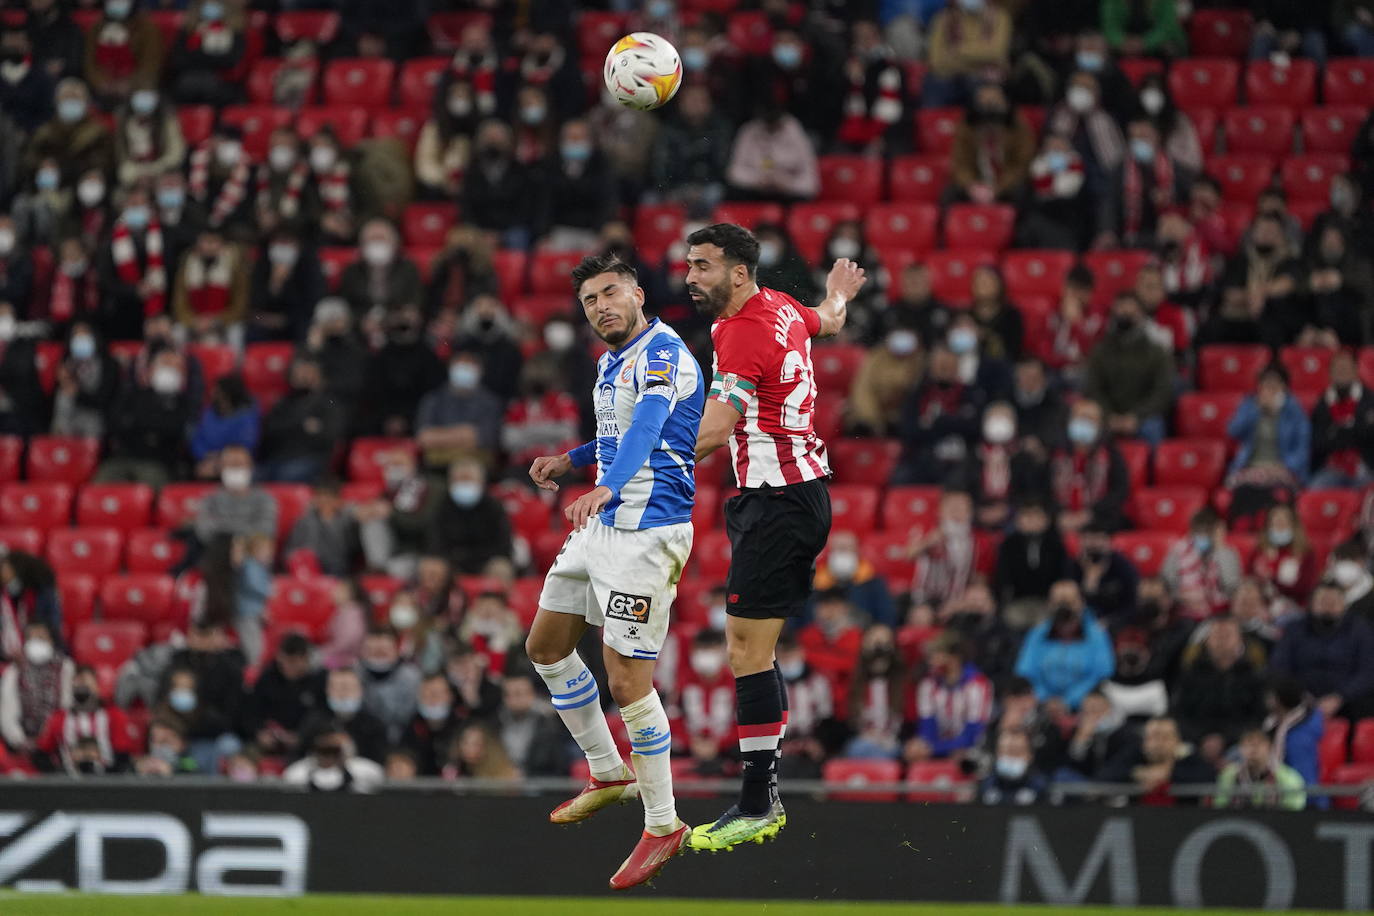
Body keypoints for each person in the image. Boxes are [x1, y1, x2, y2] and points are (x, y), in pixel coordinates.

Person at [522, 253, 705, 887]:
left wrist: (609, 484)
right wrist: (572, 462)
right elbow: (612, 436)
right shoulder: (610, 362)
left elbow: (650, 427)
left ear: (636, 293)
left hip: (645, 534)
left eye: (609, 294)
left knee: (628, 682)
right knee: (545, 645)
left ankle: (663, 823)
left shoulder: (662, 353)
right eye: (589, 301)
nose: (600, 307)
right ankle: (608, 769)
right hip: (601, 526)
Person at [682, 223, 864, 851]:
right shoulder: (780, 307)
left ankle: (758, 802)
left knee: (747, 653)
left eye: (702, 265)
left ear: (737, 273)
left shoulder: (743, 331)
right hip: (794, 494)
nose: (689, 276)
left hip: (777, 501)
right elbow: (829, 320)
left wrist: (624, 464)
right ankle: (760, 797)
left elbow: (712, 433)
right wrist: (838, 292)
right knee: (751, 649)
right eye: (688, 264)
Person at [1271, 581, 1374, 721]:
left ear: (1344, 604)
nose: (1328, 607)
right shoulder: (1294, 629)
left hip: (1349, 701)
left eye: (1334, 602)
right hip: (1300, 699)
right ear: (1312, 603)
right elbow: (1280, 666)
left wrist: (1340, 696)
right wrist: (1302, 696)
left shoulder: (1359, 629)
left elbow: (1368, 671)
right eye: (1323, 601)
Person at [1083, 291, 1173, 447]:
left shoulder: (1157, 352)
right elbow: (1093, 389)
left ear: (1141, 316)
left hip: (1143, 417)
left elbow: (1162, 392)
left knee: (1153, 428)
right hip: (1107, 416)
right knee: (1082, 425)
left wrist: (1136, 417)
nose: (1125, 316)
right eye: (1121, 312)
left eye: (1130, 312)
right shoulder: (1100, 351)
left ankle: (1153, 470)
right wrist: (1109, 416)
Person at [1226, 364, 1311, 526]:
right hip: (1250, 468)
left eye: (1274, 386)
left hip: (1282, 468)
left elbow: (1302, 449)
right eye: (1265, 385)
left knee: (1271, 490)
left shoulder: (1294, 411)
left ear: (1283, 388)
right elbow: (1233, 431)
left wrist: (1285, 467)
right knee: (1245, 488)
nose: (1269, 390)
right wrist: (1256, 410)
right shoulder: (1250, 405)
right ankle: (1242, 528)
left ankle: (1265, 528)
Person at [1015, 580, 1115, 712]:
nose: (1064, 609)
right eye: (1058, 603)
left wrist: (1068, 701)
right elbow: (1026, 671)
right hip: (1041, 705)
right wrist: (1045, 699)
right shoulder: (1037, 633)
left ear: (1081, 603)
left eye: (1069, 602)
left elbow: (1100, 674)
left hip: (1084, 704)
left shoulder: (1097, 635)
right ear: (1049, 605)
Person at [1171, 616, 1267, 752]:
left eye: (1227, 635)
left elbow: (1258, 717)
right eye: (1216, 635)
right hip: (1195, 743)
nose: (1221, 640)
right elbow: (1178, 714)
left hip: (1239, 744)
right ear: (1207, 640)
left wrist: (1226, 739)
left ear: (1240, 640)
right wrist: (1201, 739)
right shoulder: (1191, 674)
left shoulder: (1254, 676)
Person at [1043, 398, 1130, 533]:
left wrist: (1090, 514)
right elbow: (1044, 488)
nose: (1084, 423)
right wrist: (1059, 514)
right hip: (1060, 518)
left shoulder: (1111, 453)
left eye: (1089, 420)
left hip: (1099, 519)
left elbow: (1119, 490)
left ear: (1099, 426)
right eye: (1079, 418)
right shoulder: (1054, 452)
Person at [33, 665, 137, 774]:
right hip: (68, 782)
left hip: (107, 781)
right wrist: (57, 773)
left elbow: (123, 755)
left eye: (86, 684)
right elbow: (41, 754)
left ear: (97, 687)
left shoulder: (114, 716)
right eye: (77, 683)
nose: (81, 688)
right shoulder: (59, 718)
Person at [909, 631, 992, 764]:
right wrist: (924, 747)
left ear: (954, 657)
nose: (930, 661)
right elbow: (927, 726)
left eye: (936, 655)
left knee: (965, 756)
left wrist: (935, 748)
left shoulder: (977, 685)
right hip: (937, 748)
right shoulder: (928, 684)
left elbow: (974, 734)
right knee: (914, 752)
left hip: (969, 750)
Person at [256, 356, 344, 484]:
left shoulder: (329, 403)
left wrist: (292, 428)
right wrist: (302, 426)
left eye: (308, 372)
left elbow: (329, 435)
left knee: (286, 475)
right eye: (300, 372)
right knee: (254, 477)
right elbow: (269, 430)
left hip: (310, 458)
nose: (303, 376)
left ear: (319, 376)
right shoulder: (283, 402)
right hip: (277, 458)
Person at [242, 633, 326, 759]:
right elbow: (250, 712)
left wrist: (301, 737)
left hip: (306, 745)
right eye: (283, 661)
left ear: (305, 659)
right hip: (268, 742)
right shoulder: (267, 678)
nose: (287, 666)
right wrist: (259, 733)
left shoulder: (319, 681)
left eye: (293, 662)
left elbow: (322, 717)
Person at [948, 83, 1034, 205]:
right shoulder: (967, 126)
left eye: (994, 102)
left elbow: (1021, 164)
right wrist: (971, 186)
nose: (989, 107)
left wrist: (998, 188)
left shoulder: (1017, 125)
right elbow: (960, 162)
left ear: (1004, 103)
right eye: (984, 102)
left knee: (1022, 192)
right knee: (950, 194)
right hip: (977, 182)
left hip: (1006, 184)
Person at [1100, 716, 1216, 806]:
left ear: (1177, 740)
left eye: (1164, 737)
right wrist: (1139, 773)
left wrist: (1168, 774)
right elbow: (1103, 777)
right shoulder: (1135, 755)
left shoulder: (1189, 758)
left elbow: (1210, 779)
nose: (1157, 744)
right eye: (1152, 737)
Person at [428, 458, 513, 576]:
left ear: (481, 482)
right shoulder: (442, 506)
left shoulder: (494, 507)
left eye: (468, 480)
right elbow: (435, 542)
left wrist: (473, 557)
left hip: (486, 561)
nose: (464, 484)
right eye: (460, 480)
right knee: (432, 566)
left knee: (501, 568)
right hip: (452, 562)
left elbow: (503, 545)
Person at [0, 621, 73, 755]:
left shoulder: (65, 667)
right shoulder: (14, 670)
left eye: (41, 638)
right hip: (22, 743)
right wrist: (20, 741)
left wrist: (50, 738)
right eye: (32, 638)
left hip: (58, 742)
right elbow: (7, 713)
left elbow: (67, 707)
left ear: (51, 641)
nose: (36, 642)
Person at [725, 102, 819, 202]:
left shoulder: (795, 132)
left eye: (774, 125)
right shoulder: (749, 130)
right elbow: (734, 172)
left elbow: (811, 184)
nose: (770, 129)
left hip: (788, 196)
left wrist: (788, 184)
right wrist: (756, 180)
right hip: (755, 192)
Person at [923, 2, 1012, 108]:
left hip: (983, 80)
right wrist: (979, 59)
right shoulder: (943, 19)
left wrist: (957, 51)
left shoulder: (1000, 17)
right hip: (949, 78)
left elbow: (996, 53)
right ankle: (934, 122)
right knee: (935, 82)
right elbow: (936, 62)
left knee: (980, 85)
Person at [1160, 508, 1242, 620]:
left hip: (1220, 615)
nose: (1202, 536)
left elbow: (1231, 586)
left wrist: (1220, 549)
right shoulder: (1177, 551)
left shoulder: (1227, 553)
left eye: (1206, 531)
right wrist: (1182, 597)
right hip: (1185, 615)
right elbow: (1168, 584)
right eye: (1198, 531)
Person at [1311, 349, 1374, 489]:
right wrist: (1353, 431)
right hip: (1331, 468)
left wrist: (1338, 432)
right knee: (1315, 490)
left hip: (1365, 466)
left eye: (1345, 368)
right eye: (1337, 368)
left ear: (1356, 371)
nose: (1342, 372)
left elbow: (1369, 438)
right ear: (1330, 373)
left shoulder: (1370, 401)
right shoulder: (1322, 404)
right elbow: (1319, 441)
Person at [297, 667, 388, 764]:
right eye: (337, 688)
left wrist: (351, 746)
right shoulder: (313, 721)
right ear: (327, 690)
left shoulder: (373, 725)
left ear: (360, 690)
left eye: (347, 688)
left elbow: (380, 761)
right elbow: (298, 754)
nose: (342, 694)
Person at [844, 625, 907, 760]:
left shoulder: (902, 683)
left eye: (884, 644)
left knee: (883, 753)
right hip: (862, 740)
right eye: (874, 643)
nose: (878, 650)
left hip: (894, 740)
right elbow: (849, 718)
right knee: (859, 749)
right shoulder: (855, 682)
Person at [809, 530, 897, 626]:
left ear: (857, 551)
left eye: (848, 548)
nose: (843, 553)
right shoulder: (815, 584)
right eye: (839, 549)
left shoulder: (874, 583)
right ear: (830, 552)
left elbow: (887, 617)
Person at [193, 444, 277, 544]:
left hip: (251, 551)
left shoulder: (264, 498)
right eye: (230, 465)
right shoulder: (210, 499)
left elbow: (266, 530)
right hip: (216, 549)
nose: (235, 469)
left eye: (239, 464)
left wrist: (224, 530)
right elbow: (204, 531)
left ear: (250, 467)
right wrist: (245, 529)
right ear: (221, 468)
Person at [358, 625, 422, 745]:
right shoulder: (354, 674)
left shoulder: (412, 677)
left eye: (383, 651)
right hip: (363, 736)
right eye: (372, 651)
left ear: (396, 650)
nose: (377, 656)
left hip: (404, 738)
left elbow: (409, 715)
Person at [1214, 728, 1306, 811]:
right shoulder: (1229, 774)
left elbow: (1294, 807)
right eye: (1247, 744)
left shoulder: (1287, 775)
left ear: (1269, 747)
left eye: (1258, 744)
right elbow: (1220, 804)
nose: (1253, 749)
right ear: (1240, 749)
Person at [496, 673, 569, 777]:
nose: (512, 699)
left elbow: (557, 764)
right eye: (507, 694)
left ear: (532, 695)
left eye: (518, 694)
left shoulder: (549, 724)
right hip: (499, 783)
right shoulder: (496, 722)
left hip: (539, 783)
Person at [1069, 518, 1140, 621]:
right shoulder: (1073, 565)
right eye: (1088, 539)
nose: (1092, 544)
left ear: (1108, 542)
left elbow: (1132, 604)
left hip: (1114, 620)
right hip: (1079, 622)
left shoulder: (1122, 565)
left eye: (1098, 539)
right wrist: (1088, 585)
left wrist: (1109, 621)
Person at [190, 373, 258, 480]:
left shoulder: (247, 413)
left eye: (218, 391)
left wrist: (219, 461)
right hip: (207, 460)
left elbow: (245, 444)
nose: (213, 393)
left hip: (235, 462)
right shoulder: (208, 412)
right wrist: (205, 456)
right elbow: (197, 440)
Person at [283, 729, 385, 793]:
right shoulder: (299, 772)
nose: (329, 755)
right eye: (325, 750)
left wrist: (346, 759)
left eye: (334, 751)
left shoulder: (362, 769)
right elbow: (289, 780)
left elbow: (378, 779)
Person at [978, 727, 1048, 806]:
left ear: (1030, 756)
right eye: (1006, 751)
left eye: (1016, 752)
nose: (1010, 758)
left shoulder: (1040, 787)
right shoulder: (986, 786)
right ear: (997, 753)